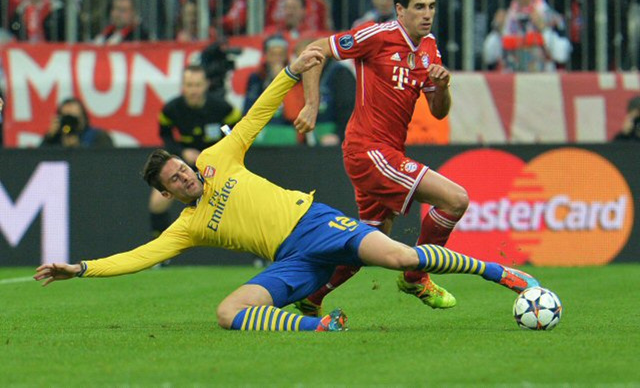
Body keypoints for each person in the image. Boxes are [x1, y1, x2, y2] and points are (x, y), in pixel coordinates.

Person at [33, 47, 541, 332]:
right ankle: (322, 326)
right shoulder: (188, 226)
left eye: (182, 170)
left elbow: (254, 119)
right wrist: (81, 269)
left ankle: (505, 274)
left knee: (406, 259)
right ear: (167, 194)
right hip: (290, 260)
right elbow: (138, 256)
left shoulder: (215, 160)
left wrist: (289, 73)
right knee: (227, 313)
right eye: (175, 180)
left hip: (315, 225)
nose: (186, 176)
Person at [293, 0, 467, 316]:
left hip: (386, 152)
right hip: (368, 151)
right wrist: (311, 105)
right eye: (419, 7)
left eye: (431, 6)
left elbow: (438, 111)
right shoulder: (378, 35)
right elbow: (312, 50)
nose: (427, 13)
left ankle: (310, 296)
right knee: (456, 200)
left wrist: (443, 86)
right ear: (399, 10)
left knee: (369, 244)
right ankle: (416, 276)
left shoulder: (430, 46)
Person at [149, 64, 241, 239]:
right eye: (189, 85)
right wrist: (182, 153)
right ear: (183, 86)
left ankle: (260, 254)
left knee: (241, 203)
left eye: (197, 85)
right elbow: (166, 137)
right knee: (157, 202)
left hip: (217, 163)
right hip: (186, 165)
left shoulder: (221, 108)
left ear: (206, 85)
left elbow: (236, 133)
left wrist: (219, 152)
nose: (193, 90)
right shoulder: (172, 109)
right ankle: (159, 255)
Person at [482, 0, 571, 72]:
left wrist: (544, 29)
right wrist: (497, 31)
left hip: (542, 80)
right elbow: (488, 57)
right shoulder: (507, 17)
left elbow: (562, 55)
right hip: (511, 80)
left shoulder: (550, 16)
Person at [40, 97, 113, 148]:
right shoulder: (54, 139)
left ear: (83, 117)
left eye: (73, 119)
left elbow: (107, 160)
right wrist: (49, 137)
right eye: (66, 118)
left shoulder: (98, 136)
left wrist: (78, 147)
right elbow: (37, 160)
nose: (70, 123)